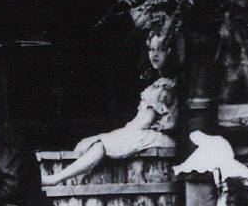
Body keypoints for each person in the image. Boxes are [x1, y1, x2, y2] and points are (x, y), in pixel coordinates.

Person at [42, 33, 178, 185]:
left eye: (160, 50)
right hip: (147, 134)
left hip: (157, 138)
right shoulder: (157, 84)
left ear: (170, 52)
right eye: (151, 49)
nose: (154, 54)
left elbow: (145, 122)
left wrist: (107, 136)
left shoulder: (165, 86)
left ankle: (56, 179)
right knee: (95, 142)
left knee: (101, 144)